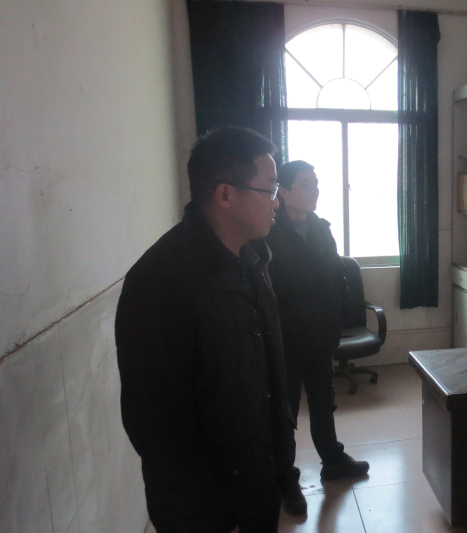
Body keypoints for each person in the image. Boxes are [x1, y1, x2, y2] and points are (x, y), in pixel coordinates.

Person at [115, 127, 294, 533]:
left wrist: (281, 469)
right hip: (207, 509)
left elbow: (264, 376)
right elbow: (155, 423)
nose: (277, 201)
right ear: (225, 194)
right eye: (270, 188)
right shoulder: (159, 281)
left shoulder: (252, 259)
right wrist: (212, 514)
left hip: (257, 481)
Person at [265, 160, 369, 515]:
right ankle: (286, 478)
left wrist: (336, 322)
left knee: (324, 403)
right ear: (284, 191)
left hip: (320, 336)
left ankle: (333, 461)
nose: (314, 191)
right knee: (286, 412)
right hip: (286, 341)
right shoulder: (269, 232)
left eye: (316, 183)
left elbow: (337, 277)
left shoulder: (321, 229)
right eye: (305, 185)